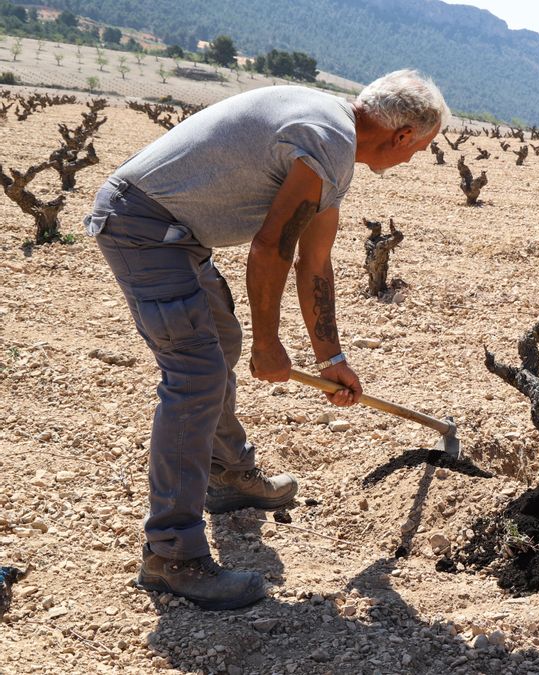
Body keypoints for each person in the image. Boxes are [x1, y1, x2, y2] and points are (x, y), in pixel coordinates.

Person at [86, 70, 449, 610]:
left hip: (178, 235)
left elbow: (314, 260)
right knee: (197, 374)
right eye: (420, 148)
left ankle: (228, 475)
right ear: (402, 135)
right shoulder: (327, 141)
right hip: (144, 227)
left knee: (219, 345)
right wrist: (270, 344)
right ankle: (172, 556)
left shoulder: (333, 140)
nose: (415, 159)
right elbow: (270, 249)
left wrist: (333, 358)